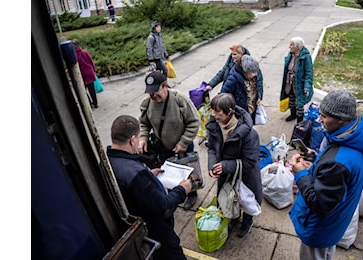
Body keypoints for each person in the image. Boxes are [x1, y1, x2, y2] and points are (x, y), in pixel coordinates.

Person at [288, 90, 363, 260]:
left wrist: (300, 174)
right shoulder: (355, 136)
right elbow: (337, 166)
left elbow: (319, 203)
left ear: (341, 119)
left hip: (320, 227)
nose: (319, 119)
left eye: (324, 116)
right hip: (335, 222)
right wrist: (315, 158)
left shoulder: (338, 163)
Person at [106, 115, 192, 260]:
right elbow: (163, 208)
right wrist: (182, 189)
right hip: (154, 232)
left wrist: (149, 176)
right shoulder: (136, 173)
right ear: (132, 140)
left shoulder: (108, 161)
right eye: (138, 138)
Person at [138, 71, 200, 210]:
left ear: (165, 85)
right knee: (168, 174)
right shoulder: (147, 103)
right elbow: (144, 123)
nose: (153, 95)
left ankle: (192, 195)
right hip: (163, 148)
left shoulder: (180, 100)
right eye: (150, 93)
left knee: (188, 173)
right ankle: (174, 196)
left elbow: (194, 122)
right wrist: (143, 138)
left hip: (183, 146)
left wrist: (183, 142)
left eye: (156, 91)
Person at [206, 93, 262, 238]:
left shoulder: (249, 134)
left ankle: (247, 221)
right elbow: (211, 147)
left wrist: (225, 165)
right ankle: (233, 217)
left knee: (246, 200)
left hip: (245, 176)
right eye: (212, 110)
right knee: (230, 199)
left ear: (230, 111)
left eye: (217, 111)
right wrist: (213, 165)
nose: (214, 115)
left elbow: (250, 162)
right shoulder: (214, 125)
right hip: (226, 175)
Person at [220, 54, 263, 124]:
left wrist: (259, 96)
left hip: (250, 110)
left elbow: (258, 85)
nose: (256, 74)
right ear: (245, 72)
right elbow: (223, 97)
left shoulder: (253, 74)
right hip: (240, 115)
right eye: (253, 73)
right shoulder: (233, 79)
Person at [280, 36, 313, 122]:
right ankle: (293, 115)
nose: (289, 47)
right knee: (291, 99)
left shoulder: (306, 57)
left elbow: (309, 74)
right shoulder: (291, 54)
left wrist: (307, 87)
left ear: (298, 47)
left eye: (291, 45)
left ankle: (300, 120)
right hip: (290, 83)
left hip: (299, 85)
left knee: (299, 103)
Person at [72, 39, 99, 109]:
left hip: (82, 75)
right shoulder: (85, 52)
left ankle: (89, 104)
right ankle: (95, 103)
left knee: (83, 90)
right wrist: (94, 70)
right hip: (90, 73)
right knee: (92, 90)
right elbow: (91, 61)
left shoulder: (74, 56)